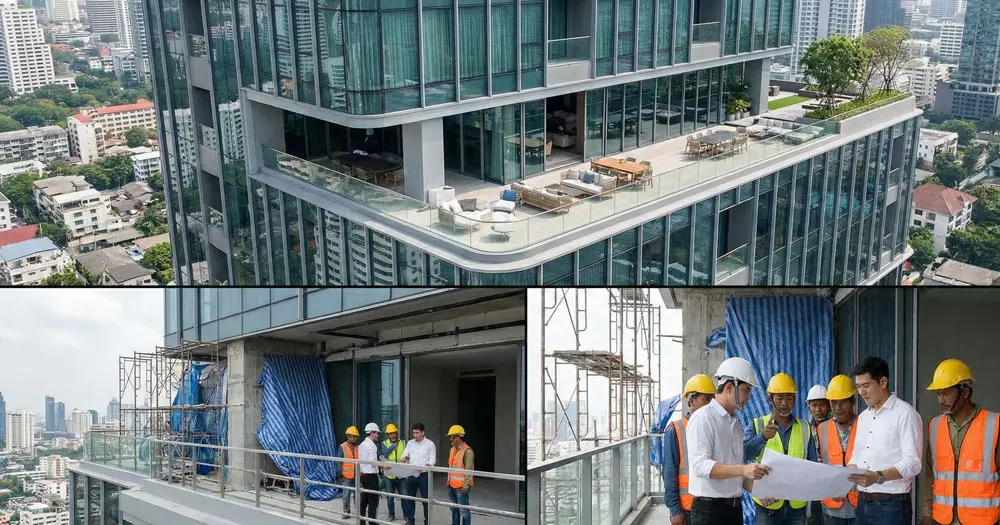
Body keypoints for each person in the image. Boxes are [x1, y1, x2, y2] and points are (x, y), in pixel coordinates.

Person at [687, 357, 772, 525]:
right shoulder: (703, 418)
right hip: (709, 511)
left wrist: (756, 490)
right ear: (729, 387)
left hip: (733, 509)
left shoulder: (735, 423)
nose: (749, 397)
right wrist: (743, 469)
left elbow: (734, 471)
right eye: (746, 390)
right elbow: (700, 465)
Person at [922, 358, 1000, 525]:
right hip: (942, 519)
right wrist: (928, 514)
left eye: (946, 393)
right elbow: (930, 475)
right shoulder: (934, 426)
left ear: (965, 392)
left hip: (983, 520)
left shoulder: (994, 424)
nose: (940, 400)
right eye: (938, 394)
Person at [846, 357, 922, 525]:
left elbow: (913, 463)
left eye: (866, 386)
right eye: (858, 387)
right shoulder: (864, 417)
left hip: (891, 506)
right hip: (862, 503)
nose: (861, 392)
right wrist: (844, 476)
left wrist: (878, 476)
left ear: (883, 382)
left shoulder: (904, 413)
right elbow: (857, 456)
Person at [744, 373, 819, 525]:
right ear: (770, 399)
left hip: (796, 505)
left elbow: (812, 463)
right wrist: (762, 437)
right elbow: (745, 454)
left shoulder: (805, 428)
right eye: (779, 398)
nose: (784, 403)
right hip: (767, 503)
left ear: (795, 399)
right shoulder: (757, 425)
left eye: (789, 398)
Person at [664, 374, 716, 525]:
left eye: (712, 400)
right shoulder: (676, 430)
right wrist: (675, 510)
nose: (709, 405)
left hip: (710, 504)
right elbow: (669, 473)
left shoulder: (713, 428)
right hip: (687, 507)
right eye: (705, 399)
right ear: (691, 400)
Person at [816, 375, 859, 525]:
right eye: (834, 403)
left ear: (853, 401)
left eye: (843, 402)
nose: (838, 408)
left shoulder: (865, 426)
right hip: (831, 506)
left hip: (859, 505)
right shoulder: (822, 429)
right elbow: (819, 466)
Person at [401, 422, 436, 525]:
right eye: (413, 433)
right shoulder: (410, 443)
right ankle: (410, 521)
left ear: (423, 432)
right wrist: (405, 458)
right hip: (411, 474)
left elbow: (432, 460)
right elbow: (404, 455)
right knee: (410, 499)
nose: (415, 435)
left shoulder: (430, 444)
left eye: (417, 433)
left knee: (425, 500)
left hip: (424, 475)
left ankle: (427, 522)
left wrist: (427, 465)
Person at [446, 425, 475, 525]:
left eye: (451, 436)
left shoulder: (468, 452)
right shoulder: (452, 450)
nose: (450, 439)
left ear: (457, 437)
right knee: (454, 510)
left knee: (464, 511)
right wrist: (448, 482)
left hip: (461, 487)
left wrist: (466, 485)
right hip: (451, 485)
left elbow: (468, 471)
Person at [381, 423, 406, 521]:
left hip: (401, 474)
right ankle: (391, 514)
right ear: (388, 435)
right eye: (390, 434)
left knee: (404, 496)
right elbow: (384, 454)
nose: (393, 435)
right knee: (390, 497)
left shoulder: (403, 442)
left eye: (394, 433)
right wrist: (392, 447)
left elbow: (407, 454)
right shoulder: (385, 443)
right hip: (389, 475)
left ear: (397, 433)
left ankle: (406, 516)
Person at [358, 423, 382, 524]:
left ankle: (362, 521)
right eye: (376, 433)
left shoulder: (362, 444)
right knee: (373, 501)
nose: (377, 435)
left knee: (365, 500)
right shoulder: (372, 445)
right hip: (371, 477)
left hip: (363, 475)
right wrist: (383, 465)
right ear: (372, 433)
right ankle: (372, 522)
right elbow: (373, 462)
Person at [338, 425, 361, 519]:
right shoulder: (342, 447)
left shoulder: (358, 447)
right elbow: (338, 460)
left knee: (358, 494)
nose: (354, 438)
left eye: (355, 436)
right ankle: (346, 512)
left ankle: (358, 513)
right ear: (348, 436)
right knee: (346, 494)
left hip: (357, 475)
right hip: (346, 475)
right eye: (352, 436)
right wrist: (339, 473)